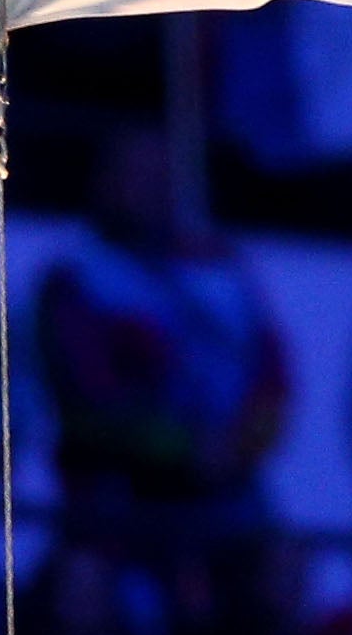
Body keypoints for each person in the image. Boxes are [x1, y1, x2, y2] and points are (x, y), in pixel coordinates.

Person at [35, 121, 289, 550]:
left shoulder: (220, 269)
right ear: (105, 183)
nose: (152, 189)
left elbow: (273, 377)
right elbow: (88, 398)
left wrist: (241, 445)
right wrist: (185, 447)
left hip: (228, 489)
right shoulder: (78, 278)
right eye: (137, 175)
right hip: (124, 494)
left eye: (162, 176)